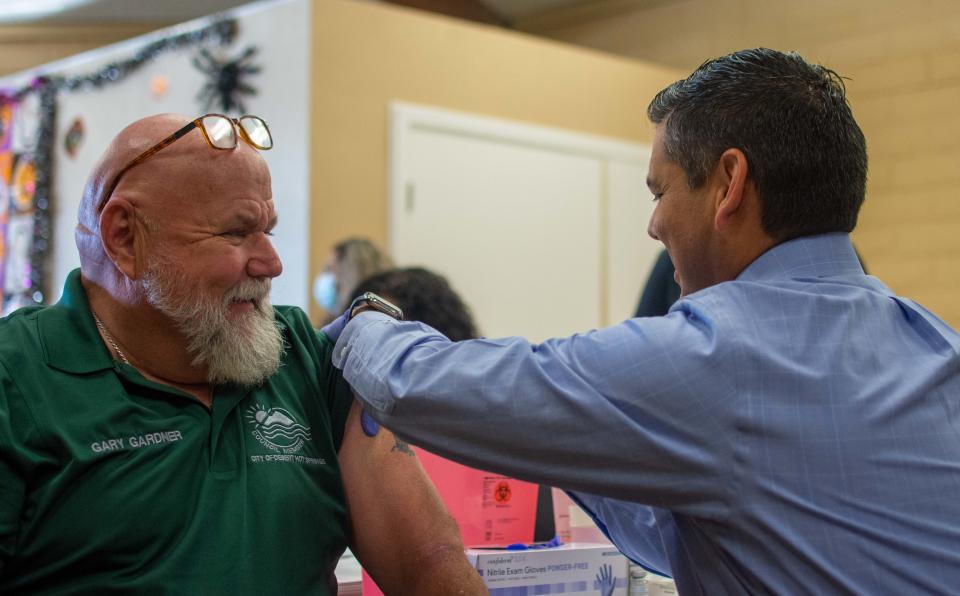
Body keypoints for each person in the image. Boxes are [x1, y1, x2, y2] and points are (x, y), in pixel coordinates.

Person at [325, 49, 960, 593]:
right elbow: (712, 529)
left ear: (729, 183)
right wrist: (569, 441)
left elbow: (428, 385)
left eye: (660, 191)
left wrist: (357, 320)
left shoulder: (723, 351)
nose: (653, 225)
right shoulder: (932, 342)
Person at [0, 114, 486, 595]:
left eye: (268, 230)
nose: (272, 264)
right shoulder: (15, 376)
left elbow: (429, 561)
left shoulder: (307, 358)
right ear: (125, 237)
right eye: (235, 233)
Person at [315, 237, 393, 323]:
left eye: (329, 268)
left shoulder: (366, 321)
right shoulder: (334, 324)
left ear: (349, 273)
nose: (325, 276)